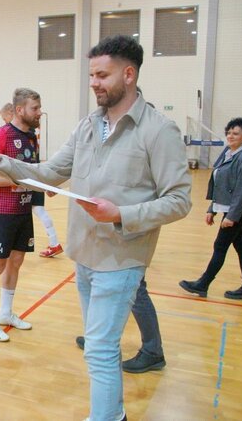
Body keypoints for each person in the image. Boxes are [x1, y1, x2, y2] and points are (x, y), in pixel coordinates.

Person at [0, 35, 191, 421]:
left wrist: (121, 213)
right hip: (84, 257)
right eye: (91, 75)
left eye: (102, 75)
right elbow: (50, 172)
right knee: (100, 347)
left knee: (99, 350)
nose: (94, 83)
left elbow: (180, 200)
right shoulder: (89, 125)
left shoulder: (159, 130)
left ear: (129, 74)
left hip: (121, 259)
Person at [76, 87, 166, 374]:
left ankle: (152, 349)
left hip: (128, 242)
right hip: (102, 242)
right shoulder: (97, 127)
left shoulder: (153, 131)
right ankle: (98, 333)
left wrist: (121, 214)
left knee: (138, 292)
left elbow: (171, 199)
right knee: (128, 295)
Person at [0, 90, 41, 342]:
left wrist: (43, 186)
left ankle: (5, 313)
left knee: (16, 261)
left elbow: (33, 173)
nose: (39, 113)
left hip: (23, 210)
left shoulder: (32, 138)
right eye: (35, 108)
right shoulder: (0, 135)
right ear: (20, 110)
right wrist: (16, 180)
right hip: (2, 211)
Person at [179, 118, 242, 301]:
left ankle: (203, 284)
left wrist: (232, 216)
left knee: (220, 246)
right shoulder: (230, 154)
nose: (230, 136)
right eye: (229, 132)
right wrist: (212, 208)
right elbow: (220, 184)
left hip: (239, 211)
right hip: (231, 209)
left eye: (236, 133)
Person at [0, 102, 64, 258]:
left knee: (38, 211)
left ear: (12, 114)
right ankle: (53, 243)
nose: (5, 123)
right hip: (33, 177)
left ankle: (54, 243)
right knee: (38, 210)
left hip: (31, 179)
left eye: (5, 119)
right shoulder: (27, 134)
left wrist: (46, 183)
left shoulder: (24, 136)